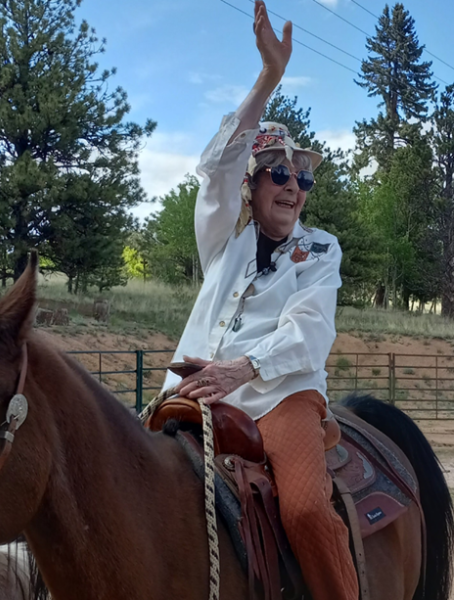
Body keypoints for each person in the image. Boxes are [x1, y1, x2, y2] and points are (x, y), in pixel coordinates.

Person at [164, 2, 358, 599]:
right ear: (251, 188)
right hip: (195, 389)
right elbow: (217, 165)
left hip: (283, 394)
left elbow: (309, 331)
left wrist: (243, 368)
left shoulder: (321, 249)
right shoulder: (225, 239)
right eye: (278, 174)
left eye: (302, 178)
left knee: (302, 511)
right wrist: (269, 78)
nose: (294, 187)